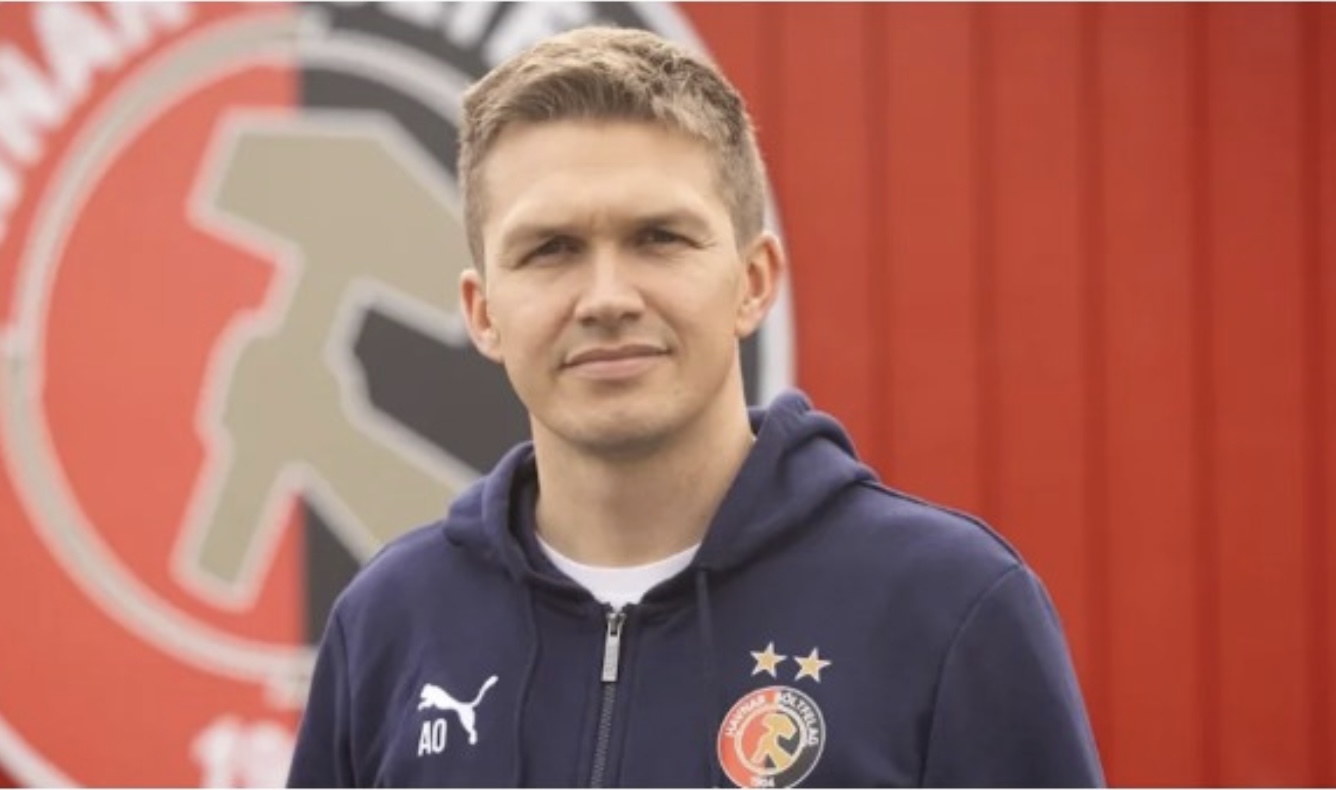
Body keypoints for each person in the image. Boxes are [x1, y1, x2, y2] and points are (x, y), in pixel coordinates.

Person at [287, 25, 1104, 789]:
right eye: (551, 249)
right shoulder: (391, 624)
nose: (607, 298)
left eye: (660, 238)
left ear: (753, 282)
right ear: (482, 311)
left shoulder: (947, 607)